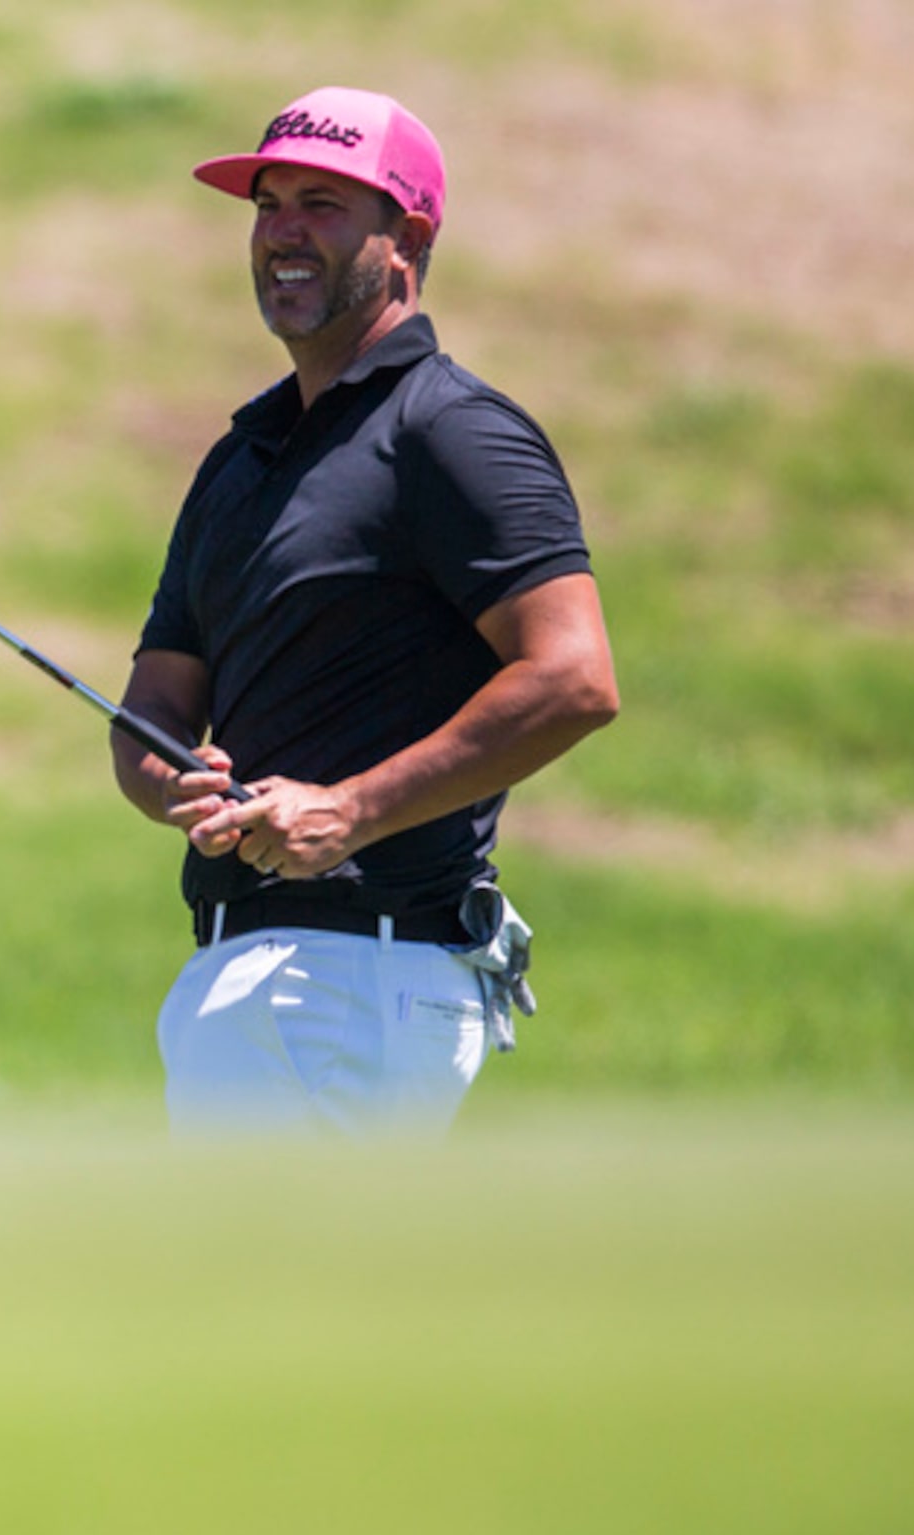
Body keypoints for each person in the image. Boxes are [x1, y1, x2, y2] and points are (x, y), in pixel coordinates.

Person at [113, 87, 619, 1134]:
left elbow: (572, 678)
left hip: (359, 974)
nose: (283, 231)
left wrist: (349, 810)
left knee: (271, 1296)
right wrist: (174, 783)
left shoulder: (451, 431)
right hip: (247, 972)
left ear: (407, 238)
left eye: (322, 205)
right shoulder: (239, 459)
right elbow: (156, 700)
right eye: (267, 205)